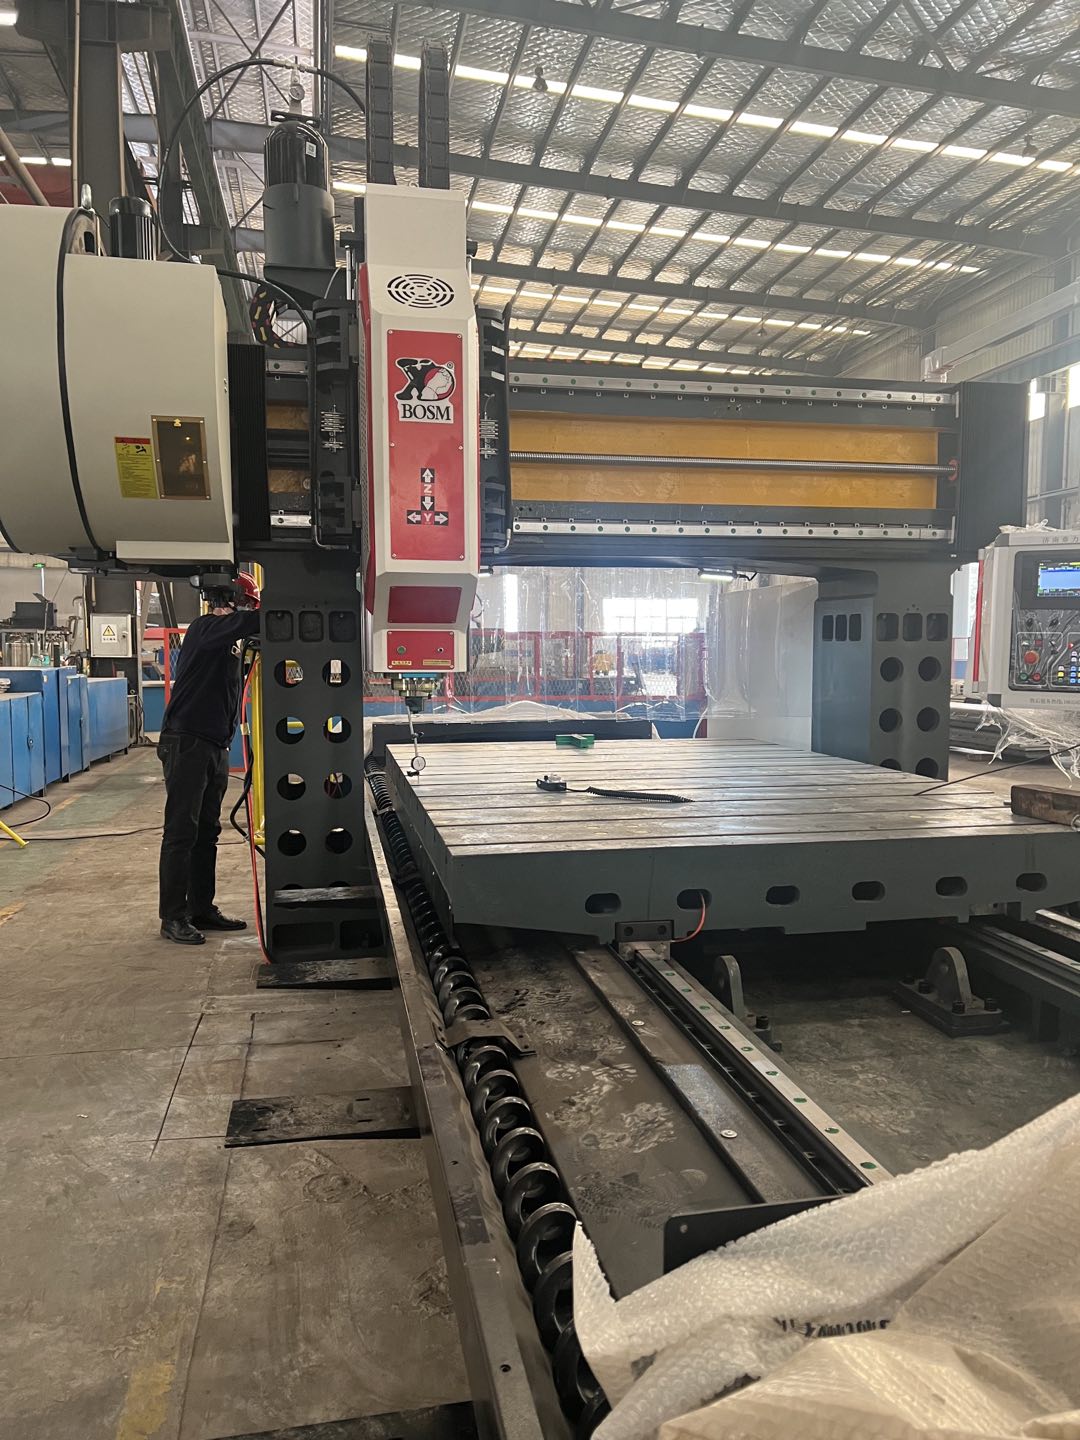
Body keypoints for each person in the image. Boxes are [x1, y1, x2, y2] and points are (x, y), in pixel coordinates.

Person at [157, 574, 261, 945]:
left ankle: (201, 908)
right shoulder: (205, 628)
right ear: (231, 602)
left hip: (214, 744)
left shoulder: (229, 644)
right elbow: (252, 622)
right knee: (181, 832)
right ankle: (172, 916)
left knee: (207, 832)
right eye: (247, 604)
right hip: (187, 742)